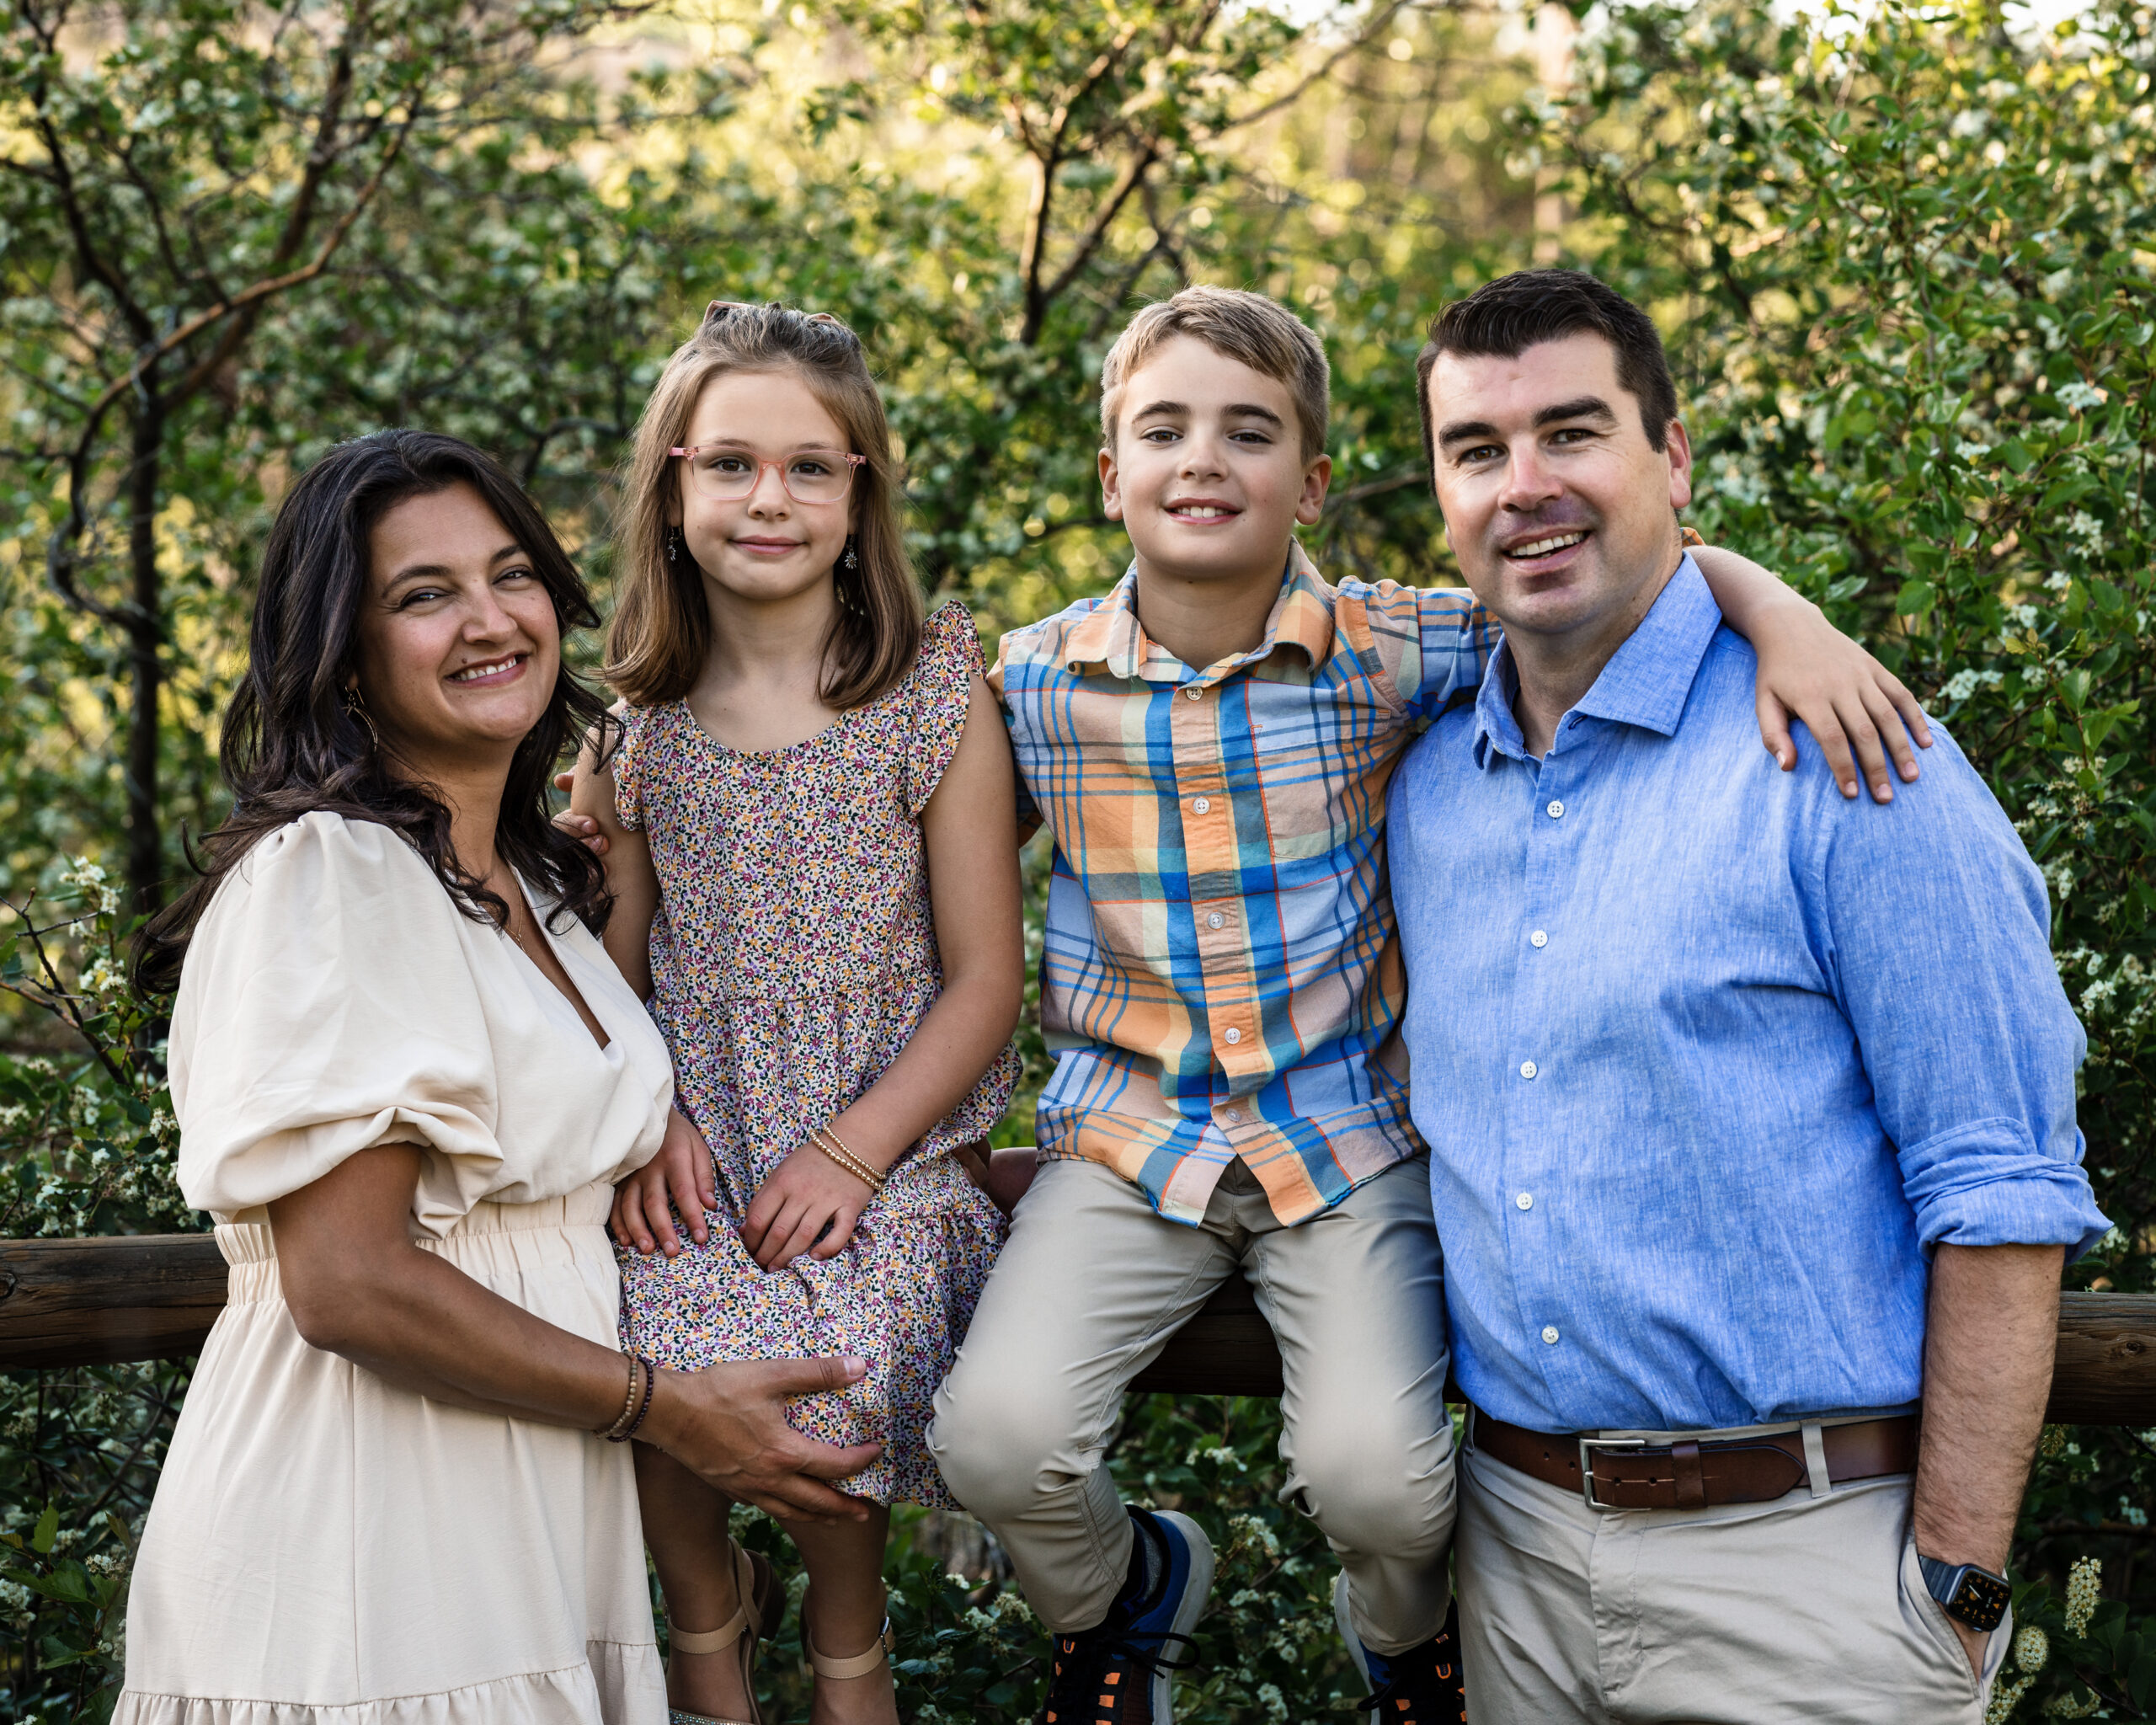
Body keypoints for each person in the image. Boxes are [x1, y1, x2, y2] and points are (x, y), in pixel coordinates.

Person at [925, 284, 1936, 1725]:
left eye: (1250, 432)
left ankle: (1403, 1643)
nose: (1203, 460)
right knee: (993, 1441)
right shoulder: (1027, 684)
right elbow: (928, 881)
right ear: (1109, 473)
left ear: (1313, 483)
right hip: (1124, 1148)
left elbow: (1623, 581)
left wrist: (1785, 617)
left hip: (1345, 1147)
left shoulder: (1396, 647)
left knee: (1381, 1487)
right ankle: (1126, 1596)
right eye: (1164, 431)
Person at [1389, 268, 2110, 1724]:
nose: (1525, 487)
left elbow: (2000, 1185)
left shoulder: (1854, 759)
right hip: (1513, 1566)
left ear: (1672, 457)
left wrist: (1958, 1585)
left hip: (1812, 1585)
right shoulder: (1418, 783)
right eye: (1478, 450)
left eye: (1572, 433)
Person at [118, 430, 883, 1725]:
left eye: (512, 575)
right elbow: (350, 1282)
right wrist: (666, 1409)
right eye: (426, 595)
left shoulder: (541, 887)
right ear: (342, 654)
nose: (489, 620)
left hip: (537, 1531)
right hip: (364, 1540)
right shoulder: (331, 874)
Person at [563, 302, 1023, 1725]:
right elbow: (619, 976)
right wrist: (651, 1123)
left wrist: (854, 1153)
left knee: (842, 1368)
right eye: (731, 465)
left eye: (810, 467)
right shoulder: (634, 725)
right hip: (697, 1137)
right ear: (672, 488)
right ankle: (707, 1634)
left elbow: (986, 978)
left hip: (884, 1142)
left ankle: (846, 1647)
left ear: (859, 489)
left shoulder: (932, 689)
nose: (770, 498)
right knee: (651, 1337)